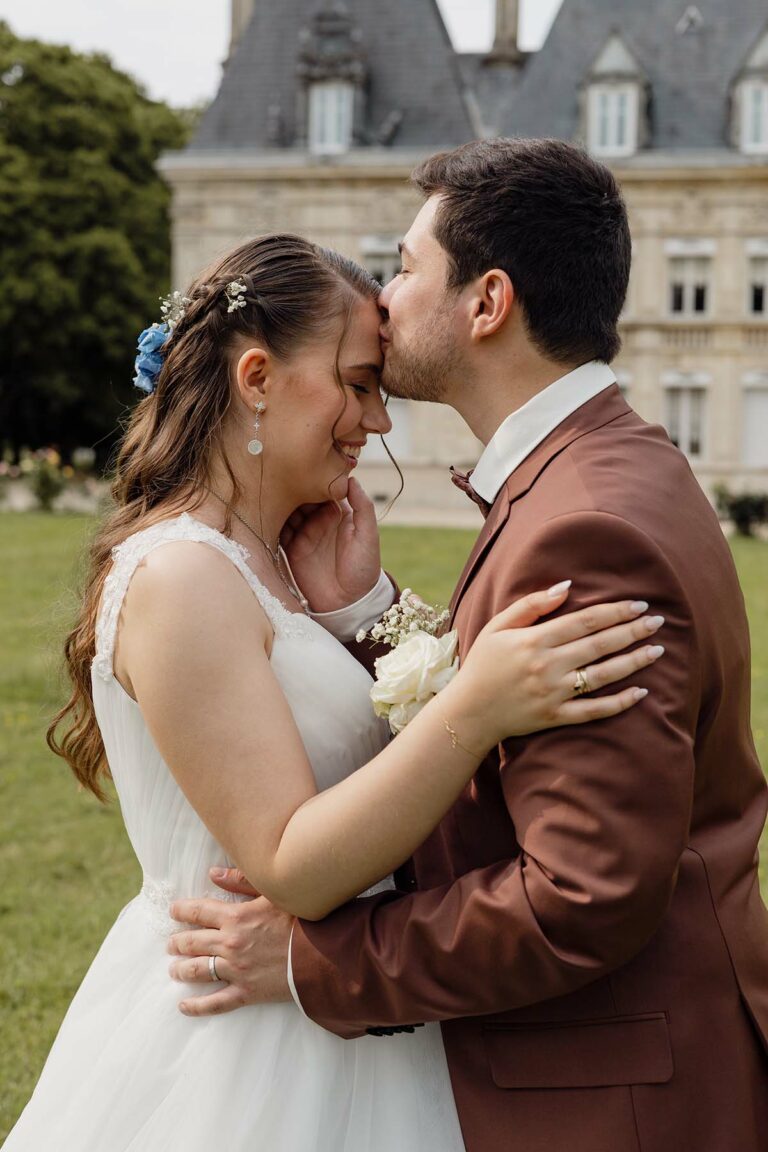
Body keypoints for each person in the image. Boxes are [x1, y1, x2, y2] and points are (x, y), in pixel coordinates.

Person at [4, 233, 662, 1152]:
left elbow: (355, 734)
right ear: (259, 378)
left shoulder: (275, 562)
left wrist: (366, 612)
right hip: (244, 1040)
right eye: (358, 385)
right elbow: (292, 861)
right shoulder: (184, 577)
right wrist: (477, 706)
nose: (378, 422)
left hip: (341, 1011)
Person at [171, 141, 768, 1152]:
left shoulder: (589, 524)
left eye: (405, 267)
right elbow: (512, 723)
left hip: (611, 1095)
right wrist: (375, 615)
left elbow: (580, 896)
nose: (384, 299)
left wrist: (314, 961)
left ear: (487, 302)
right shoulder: (603, 465)